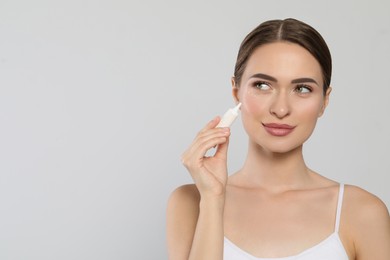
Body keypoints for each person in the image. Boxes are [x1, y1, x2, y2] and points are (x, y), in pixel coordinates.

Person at [166, 18, 390, 260]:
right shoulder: (191, 202)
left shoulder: (362, 212)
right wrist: (212, 199)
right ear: (236, 92)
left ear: (324, 101)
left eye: (302, 89)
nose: (281, 109)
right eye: (263, 85)